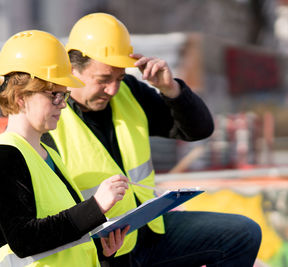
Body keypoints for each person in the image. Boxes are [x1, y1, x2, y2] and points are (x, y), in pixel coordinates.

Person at [42, 13, 262, 266]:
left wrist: (171, 90)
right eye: (103, 80)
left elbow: (199, 130)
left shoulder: (130, 93)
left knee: (243, 234)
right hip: (102, 252)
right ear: (72, 69)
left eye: (119, 78)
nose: (113, 90)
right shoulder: (49, 120)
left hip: (151, 232)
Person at [0, 30, 131, 267]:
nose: (63, 105)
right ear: (20, 97)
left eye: (64, 95)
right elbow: (24, 239)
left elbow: (59, 237)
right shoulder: (4, 156)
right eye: (54, 95)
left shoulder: (49, 156)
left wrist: (100, 249)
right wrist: (95, 207)